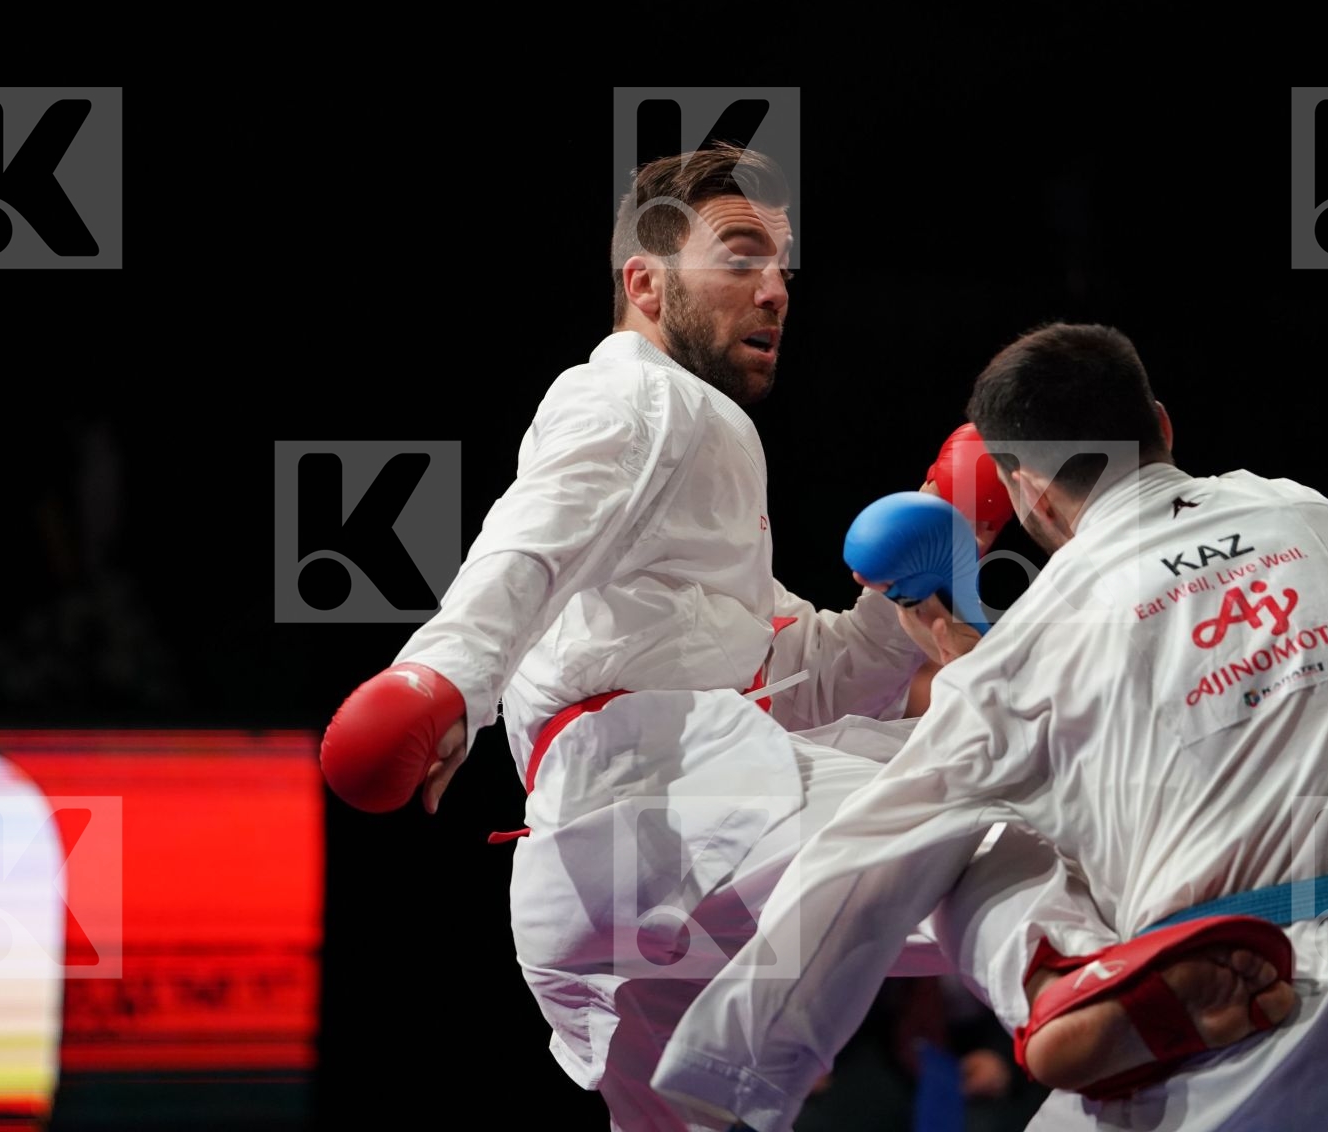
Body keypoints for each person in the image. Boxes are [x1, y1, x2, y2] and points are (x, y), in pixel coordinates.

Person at [652, 323, 1328, 1131]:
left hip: (1258, 1006)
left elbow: (867, 854)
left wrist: (732, 1066)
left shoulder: (1038, 641)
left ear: (1028, 496)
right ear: (1163, 426)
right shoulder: (1309, 511)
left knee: (980, 837)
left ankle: (1065, 977)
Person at [317, 145, 1076, 1131]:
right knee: (1017, 831)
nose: (774, 290)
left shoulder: (700, 467)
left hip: (609, 882)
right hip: (668, 801)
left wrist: (933, 554)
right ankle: (1101, 996)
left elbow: (801, 675)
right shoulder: (635, 396)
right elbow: (529, 543)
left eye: (784, 268)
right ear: (645, 279)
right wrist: (441, 681)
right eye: (741, 255)